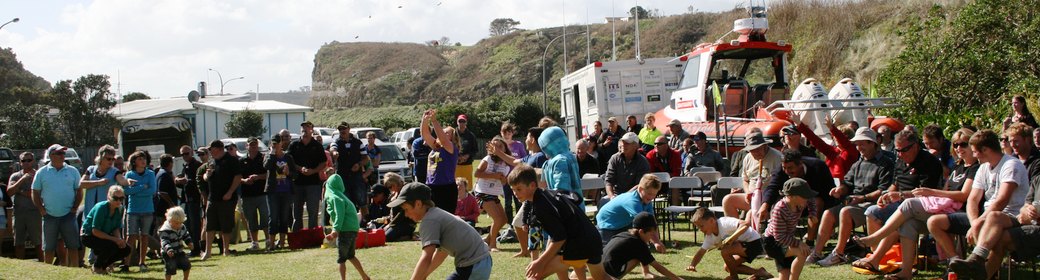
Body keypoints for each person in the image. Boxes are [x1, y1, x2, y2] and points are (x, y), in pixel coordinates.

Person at [847, 129, 944, 280]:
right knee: (872, 211)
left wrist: (899, 195)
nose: (900, 154)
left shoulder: (929, 162)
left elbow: (925, 193)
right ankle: (879, 258)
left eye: (904, 150)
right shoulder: (900, 160)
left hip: (923, 204)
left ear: (916, 146)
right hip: (900, 202)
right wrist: (885, 196)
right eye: (897, 150)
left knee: (902, 215)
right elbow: (895, 184)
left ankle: (874, 253)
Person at [928, 129, 1030, 259]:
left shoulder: (1011, 165)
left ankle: (977, 262)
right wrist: (974, 221)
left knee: (993, 217)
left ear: (986, 150)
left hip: (1011, 216)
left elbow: (1001, 201)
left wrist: (978, 222)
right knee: (934, 222)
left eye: (975, 151)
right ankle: (956, 262)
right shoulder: (983, 167)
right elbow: (972, 199)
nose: (975, 156)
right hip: (985, 216)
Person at [813, 127, 895, 266]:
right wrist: (840, 189)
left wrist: (862, 198)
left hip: (873, 204)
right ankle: (817, 253)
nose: (859, 147)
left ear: (872, 143)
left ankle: (838, 253)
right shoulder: (858, 164)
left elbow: (883, 190)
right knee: (828, 213)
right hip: (855, 202)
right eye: (857, 144)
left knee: (845, 211)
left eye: (862, 143)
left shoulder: (886, 164)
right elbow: (848, 183)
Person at [508, 164, 606, 280]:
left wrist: (540, 262)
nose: (515, 193)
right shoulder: (547, 194)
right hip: (592, 238)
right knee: (602, 278)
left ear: (532, 185)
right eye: (513, 190)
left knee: (535, 276)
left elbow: (559, 238)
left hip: (578, 244)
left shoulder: (541, 205)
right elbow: (556, 233)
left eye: (519, 189)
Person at [391, 183, 493, 280]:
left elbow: (426, 257)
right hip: (480, 261)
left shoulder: (429, 221)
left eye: (406, 209)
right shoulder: (435, 215)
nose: (406, 214)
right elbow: (442, 252)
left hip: (473, 264)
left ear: (418, 204)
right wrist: (424, 275)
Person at [762, 150, 835, 257]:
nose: (786, 171)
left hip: (816, 203)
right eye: (784, 168)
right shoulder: (781, 171)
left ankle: (810, 242)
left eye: (790, 168)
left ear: (800, 164)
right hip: (789, 204)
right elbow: (772, 187)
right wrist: (765, 205)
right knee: (778, 204)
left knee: (817, 201)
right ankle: (776, 244)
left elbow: (828, 190)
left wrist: (813, 214)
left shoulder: (818, 167)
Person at [948, 201, 1040, 280]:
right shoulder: (1036, 181)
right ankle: (976, 259)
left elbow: (1002, 199)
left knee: (998, 237)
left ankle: (980, 271)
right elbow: (1024, 207)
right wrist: (1026, 210)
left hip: (1033, 225)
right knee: (994, 216)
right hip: (1024, 221)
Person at [32, 144, 82, 267]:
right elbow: (35, 192)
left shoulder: (73, 171)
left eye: (63, 153)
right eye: (59, 153)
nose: (62, 156)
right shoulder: (42, 172)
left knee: (73, 246)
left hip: (68, 215)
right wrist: (41, 210)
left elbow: (79, 190)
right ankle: (48, 271)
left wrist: (75, 208)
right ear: (51, 156)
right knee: (48, 248)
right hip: (49, 215)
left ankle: (74, 270)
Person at [721, 132, 782, 231]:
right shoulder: (748, 158)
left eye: (757, 149)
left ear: (765, 146)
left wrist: (765, 201)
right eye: (751, 150)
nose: (755, 153)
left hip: (771, 199)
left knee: (749, 216)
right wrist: (747, 191)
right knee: (727, 200)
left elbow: (780, 182)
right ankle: (736, 233)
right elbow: (745, 180)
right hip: (752, 196)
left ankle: (748, 235)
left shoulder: (777, 157)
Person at [687, 208, 772, 279]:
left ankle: (733, 277)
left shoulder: (724, 223)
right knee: (728, 267)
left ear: (712, 221)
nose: (700, 229)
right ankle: (760, 272)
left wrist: (732, 238)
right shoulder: (709, 237)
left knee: (725, 251)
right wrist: (692, 265)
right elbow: (701, 252)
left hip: (754, 242)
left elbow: (745, 224)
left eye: (701, 226)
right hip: (743, 246)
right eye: (698, 227)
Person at [78, 145, 126, 265]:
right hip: (91, 209)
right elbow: (82, 184)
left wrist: (128, 181)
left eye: (112, 159)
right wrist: (98, 182)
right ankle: (90, 260)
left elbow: (122, 181)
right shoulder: (91, 169)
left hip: (107, 210)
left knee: (106, 235)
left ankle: (106, 262)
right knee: (90, 235)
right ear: (100, 158)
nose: (111, 161)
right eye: (108, 158)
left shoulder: (114, 171)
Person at [763, 178, 817, 280]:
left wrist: (812, 214)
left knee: (784, 278)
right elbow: (779, 236)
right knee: (802, 252)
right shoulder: (780, 209)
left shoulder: (799, 203)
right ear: (793, 196)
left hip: (786, 241)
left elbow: (812, 200)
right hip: (773, 243)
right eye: (804, 196)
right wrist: (799, 243)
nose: (807, 199)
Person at [596, 174, 665, 253]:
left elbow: (652, 222)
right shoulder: (632, 201)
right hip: (607, 224)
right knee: (607, 253)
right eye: (649, 194)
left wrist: (657, 241)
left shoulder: (646, 199)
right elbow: (644, 223)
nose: (652, 197)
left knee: (627, 250)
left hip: (623, 223)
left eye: (654, 194)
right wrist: (656, 242)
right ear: (641, 189)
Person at [601, 212, 681, 280]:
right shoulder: (638, 243)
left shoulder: (624, 234)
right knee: (639, 256)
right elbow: (657, 267)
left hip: (599, 268)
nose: (651, 238)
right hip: (611, 272)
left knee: (641, 254)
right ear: (641, 231)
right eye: (651, 235)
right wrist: (678, 279)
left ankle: (646, 273)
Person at [324, 174, 372, 280]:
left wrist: (335, 230)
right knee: (351, 256)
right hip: (352, 229)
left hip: (345, 231)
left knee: (341, 259)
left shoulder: (335, 198)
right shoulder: (343, 197)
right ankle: (364, 276)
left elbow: (339, 214)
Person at [202, 140, 242, 259]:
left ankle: (226, 250)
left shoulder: (232, 160)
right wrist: (206, 176)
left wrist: (230, 192)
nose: (209, 151)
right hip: (212, 198)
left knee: (226, 225)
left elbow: (238, 177)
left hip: (227, 198)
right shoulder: (212, 161)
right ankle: (207, 252)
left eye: (211, 149)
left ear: (218, 149)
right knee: (210, 225)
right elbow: (205, 176)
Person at [82, 185, 131, 275]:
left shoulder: (120, 209)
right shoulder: (101, 207)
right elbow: (95, 231)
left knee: (126, 249)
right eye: (115, 198)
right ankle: (97, 267)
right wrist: (115, 240)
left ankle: (103, 267)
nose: (118, 201)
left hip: (105, 235)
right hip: (89, 236)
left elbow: (116, 227)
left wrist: (119, 240)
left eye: (121, 198)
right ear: (109, 197)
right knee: (110, 245)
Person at [289, 121, 328, 231]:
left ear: (312, 130)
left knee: (313, 212)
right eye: (303, 129)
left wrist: (313, 171)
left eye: (307, 129)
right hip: (297, 183)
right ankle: (297, 235)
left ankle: (312, 235)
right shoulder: (294, 145)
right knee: (297, 212)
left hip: (313, 183)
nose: (304, 131)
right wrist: (300, 168)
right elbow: (289, 161)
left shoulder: (317, 146)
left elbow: (323, 163)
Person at [792, 116, 859, 179]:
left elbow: (844, 142)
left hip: (847, 186)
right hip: (831, 183)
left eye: (837, 136)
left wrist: (832, 128)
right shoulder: (832, 151)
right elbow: (815, 139)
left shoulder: (852, 150)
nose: (835, 138)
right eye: (834, 137)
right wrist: (800, 124)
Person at [474, 137, 511, 251]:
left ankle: (488, 239)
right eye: (495, 146)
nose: (497, 148)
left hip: (493, 194)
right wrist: (494, 176)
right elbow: (477, 173)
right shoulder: (487, 159)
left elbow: (504, 182)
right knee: (498, 219)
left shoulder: (506, 164)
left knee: (504, 219)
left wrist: (503, 179)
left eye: (500, 146)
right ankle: (492, 245)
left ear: (505, 148)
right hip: (483, 193)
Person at [421, 109, 460, 214]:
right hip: (431, 186)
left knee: (445, 219)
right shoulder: (435, 147)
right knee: (431, 217)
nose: (443, 133)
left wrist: (434, 121)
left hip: (446, 188)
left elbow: (443, 140)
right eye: (443, 131)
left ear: (453, 137)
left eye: (447, 133)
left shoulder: (451, 148)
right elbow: (425, 134)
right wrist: (424, 120)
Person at [124, 150, 157, 271]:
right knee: (130, 237)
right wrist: (142, 187)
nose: (143, 161)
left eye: (144, 159)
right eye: (140, 159)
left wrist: (136, 190)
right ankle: (126, 263)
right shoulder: (129, 175)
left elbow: (152, 191)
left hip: (147, 209)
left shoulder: (150, 174)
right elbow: (127, 191)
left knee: (144, 236)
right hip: (133, 210)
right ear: (134, 162)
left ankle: (142, 262)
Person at [330, 122, 370, 220]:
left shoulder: (358, 142)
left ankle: (367, 222)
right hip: (342, 177)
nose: (342, 131)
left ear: (349, 129)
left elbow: (366, 158)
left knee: (362, 201)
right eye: (340, 129)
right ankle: (349, 222)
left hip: (357, 177)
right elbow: (332, 148)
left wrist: (359, 164)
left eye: (344, 129)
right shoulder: (336, 142)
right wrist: (334, 153)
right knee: (346, 201)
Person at [8, 152, 42, 261]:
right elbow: (10, 192)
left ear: (33, 161)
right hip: (19, 213)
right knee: (18, 242)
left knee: (38, 242)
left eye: (29, 160)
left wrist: (20, 191)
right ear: (20, 162)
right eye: (23, 160)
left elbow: (35, 194)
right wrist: (22, 179)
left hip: (34, 212)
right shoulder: (15, 176)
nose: (26, 163)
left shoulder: (38, 175)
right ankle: (21, 263)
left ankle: (44, 263)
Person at [239, 137, 271, 251]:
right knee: (251, 219)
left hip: (262, 193)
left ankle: (268, 241)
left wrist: (258, 177)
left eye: (255, 145)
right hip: (247, 195)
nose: (253, 147)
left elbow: (269, 174)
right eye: (251, 145)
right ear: (247, 146)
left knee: (265, 218)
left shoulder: (263, 158)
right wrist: (245, 181)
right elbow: (238, 177)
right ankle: (255, 242)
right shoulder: (242, 161)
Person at [265, 136, 296, 249]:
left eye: (277, 144)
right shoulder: (269, 156)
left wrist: (289, 173)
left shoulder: (288, 157)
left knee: (284, 217)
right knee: (273, 217)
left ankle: (282, 243)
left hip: (286, 191)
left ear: (281, 144)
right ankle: (271, 244)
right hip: (273, 192)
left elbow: (295, 174)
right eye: (273, 144)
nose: (275, 146)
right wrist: (272, 155)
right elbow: (266, 166)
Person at [175, 145, 204, 256]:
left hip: (195, 199)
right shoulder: (186, 166)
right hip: (187, 200)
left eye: (186, 153)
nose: (184, 156)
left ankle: (196, 248)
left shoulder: (196, 165)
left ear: (192, 153)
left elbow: (197, 181)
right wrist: (179, 180)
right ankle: (193, 248)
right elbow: (181, 181)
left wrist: (185, 181)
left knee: (195, 225)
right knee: (188, 225)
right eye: (182, 154)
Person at [604, 132, 651, 200]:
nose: (623, 145)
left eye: (627, 143)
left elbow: (640, 185)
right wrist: (611, 197)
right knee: (602, 202)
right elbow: (608, 181)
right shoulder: (614, 158)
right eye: (622, 142)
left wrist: (623, 198)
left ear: (636, 146)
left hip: (635, 196)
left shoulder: (642, 162)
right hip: (615, 195)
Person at [370, 173, 415, 242]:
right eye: (388, 187)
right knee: (379, 234)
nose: (390, 189)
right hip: (394, 222)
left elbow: (402, 212)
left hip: (405, 223)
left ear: (396, 183)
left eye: (390, 187)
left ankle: (408, 236)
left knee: (386, 237)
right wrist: (384, 220)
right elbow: (392, 214)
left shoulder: (406, 190)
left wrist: (390, 224)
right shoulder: (394, 193)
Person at [500, 121, 527, 225]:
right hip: (505, 179)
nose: (507, 135)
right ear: (501, 133)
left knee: (519, 201)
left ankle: (520, 223)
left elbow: (524, 160)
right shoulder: (499, 146)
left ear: (512, 133)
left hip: (517, 178)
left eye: (509, 133)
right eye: (505, 133)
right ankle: (509, 225)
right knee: (507, 202)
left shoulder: (518, 145)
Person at [157, 207, 193, 280]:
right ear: (170, 220)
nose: (179, 225)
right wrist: (169, 249)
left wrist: (189, 242)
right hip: (168, 253)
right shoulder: (165, 230)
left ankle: (185, 279)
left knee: (187, 264)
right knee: (170, 267)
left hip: (179, 251)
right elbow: (164, 242)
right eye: (176, 223)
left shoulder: (181, 227)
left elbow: (186, 235)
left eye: (181, 223)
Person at [647, 135, 682, 204]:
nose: (656, 146)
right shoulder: (650, 155)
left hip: (671, 182)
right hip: (656, 182)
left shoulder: (675, 154)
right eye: (655, 144)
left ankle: (674, 211)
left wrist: (665, 176)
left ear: (666, 145)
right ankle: (649, 209)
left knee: (675, 184)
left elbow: (677, 173)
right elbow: (650, 173)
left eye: (659, 144)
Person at [456, 114, 479, 188]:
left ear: (466, 123)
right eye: (460, 121)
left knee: (467, 187)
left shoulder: (471, 136)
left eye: (463, 121)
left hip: (467, 164)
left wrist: (467, 155)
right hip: (454, 165)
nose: (461, 123)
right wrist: (457, 157)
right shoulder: (452, 134)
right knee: (455, 186)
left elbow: (475, 150)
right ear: (457, 122)